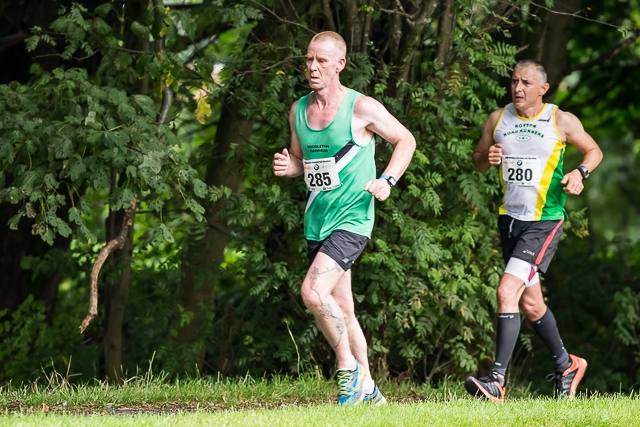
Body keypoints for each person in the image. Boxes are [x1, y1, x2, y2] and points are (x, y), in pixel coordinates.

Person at [272, 31, 416, 405]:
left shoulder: (361, 107)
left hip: (352, 219)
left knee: (312, 292)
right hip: (316, 219)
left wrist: (388, 179)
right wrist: (290, 167)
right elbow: (303, 163)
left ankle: (347, 370)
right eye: (308, 60)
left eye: (321, 60)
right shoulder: (298, 110)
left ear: (340, 65)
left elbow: (406, 140)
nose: (312, 67)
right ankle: (369, 388)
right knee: (344, 309)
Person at [465, 59, 603, 402]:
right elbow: (478, 159)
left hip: (544, 221)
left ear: (543, 89)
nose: (517, 88)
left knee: (506, 290)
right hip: (510, 220)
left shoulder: (561, 120)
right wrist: (489, 157)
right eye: (514, 81)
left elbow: (593, 150)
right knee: (532, 304)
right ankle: (566, 366)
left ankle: (497, 380)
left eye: (526, 83)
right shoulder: (498, 119)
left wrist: (580, 173)